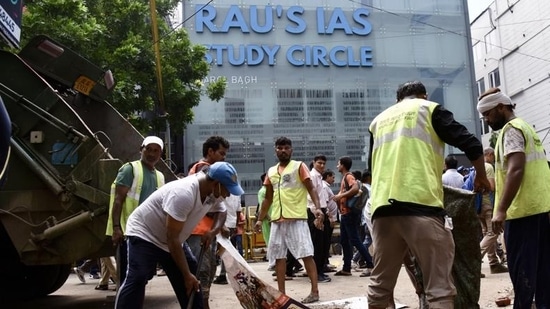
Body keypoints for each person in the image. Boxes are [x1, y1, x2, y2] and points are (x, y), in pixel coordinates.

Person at [367, 80, 490, 309]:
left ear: (397, 100)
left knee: (380, 284)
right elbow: (472, 144)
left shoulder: (378, 121)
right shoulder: (429, 109)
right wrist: (481, 176)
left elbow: (373, 170)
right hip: (422, 206)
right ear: (423, 95)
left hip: (382, 211)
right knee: (439, 287)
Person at [114, 162, 244, 309]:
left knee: (193, 279)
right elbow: (172, 239)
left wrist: (212, 231)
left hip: (172, 239)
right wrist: (186, 275)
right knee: (138, 277)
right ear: (216, 183)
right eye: (227, 190)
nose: (227, 195)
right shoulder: (184, 193)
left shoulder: (214, 193)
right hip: (145, 234)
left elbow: (222, 211)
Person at [477, 87, 550, 308]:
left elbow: (516, 169)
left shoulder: (510, 130)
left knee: (522, 274)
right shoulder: (527, 128)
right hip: (539, 210)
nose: (487, 120)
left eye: (488, 114)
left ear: (501, 107)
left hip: (521, 214)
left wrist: (500, 209)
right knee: (543, 274)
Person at [254, 136, 325, 304]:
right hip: (277, 220)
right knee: (279, 257)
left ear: (291, 150)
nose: (283, 150)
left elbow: (311, 188)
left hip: (297, 218)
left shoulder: (299, 166)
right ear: (275, 150)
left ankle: (315, 291)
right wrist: (259, 219)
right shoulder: (271, 171)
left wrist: (317, 208)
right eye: (280, 147)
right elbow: (267, 199)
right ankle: (281, 295)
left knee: (306, 254)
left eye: (286, 147)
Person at [105, 135, 165, 285]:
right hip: (129, 232)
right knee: (130, 276)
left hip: (149, 233)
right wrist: (116, 228)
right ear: (141, 150)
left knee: (145, 275)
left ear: (160, 154)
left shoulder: (160, 176)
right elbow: (118, 200)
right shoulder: (130, 169)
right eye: (148, 149)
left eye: (156, 151)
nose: (151, 154)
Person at [186, 136, 230, 309]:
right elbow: (208, 203)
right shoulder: (206, 170)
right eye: (221, 153)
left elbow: (217, 206)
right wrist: (221, 225)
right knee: (201, 272)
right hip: (199, 230)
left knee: (207, 271)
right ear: (210, 152)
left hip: (205, 231)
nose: (223, 157)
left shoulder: (202, 168)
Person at [332, 157, 373, 277]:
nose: (337, 166)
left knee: (354, 239)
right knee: (344, 241)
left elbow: (355, 189)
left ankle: (370, 265)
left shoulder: (348, 176)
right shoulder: (345, 178)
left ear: (343, 165)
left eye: (338, 164)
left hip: (349, 213)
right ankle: (346, 268)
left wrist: (340, 196)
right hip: (345, 213)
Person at [477, 147, 508, 274]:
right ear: (489, 155)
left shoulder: (477, 167)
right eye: (493, 156)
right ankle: (475, 258)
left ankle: (493, 263)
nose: (493, 159)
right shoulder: (488, 167)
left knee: (486, 233)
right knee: (493, 233)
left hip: (478, 205)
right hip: (487, 204)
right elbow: (492, 187)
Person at [306, 155, 331, 283]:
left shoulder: (319, 177)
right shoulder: (313, 176)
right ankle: (316, 274)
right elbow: (311, 195)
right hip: (315, 211)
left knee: (322, 243)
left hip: (321, 210)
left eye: (323, 163)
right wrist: (316, 211)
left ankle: (320, 271)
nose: (321, 165)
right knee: (317, 244)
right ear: (314, 162)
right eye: (319, 163)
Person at [213, 193, 242, 284]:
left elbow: (218, 208)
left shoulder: (222, 191)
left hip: (223, 224)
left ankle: (222, 274)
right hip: (231, 223)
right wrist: (236, 225)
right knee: (226, 250)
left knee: (220, 251)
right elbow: (238, 211)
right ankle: (225, 273)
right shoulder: (237, 194)